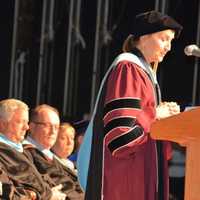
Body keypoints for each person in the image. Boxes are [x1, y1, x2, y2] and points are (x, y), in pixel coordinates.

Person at [77, 10, 183, 200]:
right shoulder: (127, 69)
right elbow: (121, 138)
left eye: (171, 41)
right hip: (124, 181)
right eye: (164, 39)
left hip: (139, 176)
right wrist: (155, 114)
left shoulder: (146, 75)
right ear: (143, 38)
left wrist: (167, 122)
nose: (168, 47)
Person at [0, 98, 62, 200]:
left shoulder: (23, 151)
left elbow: (41, 178)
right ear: (2, 124)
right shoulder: (3, 151)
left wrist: (53, 192)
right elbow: (8, 191)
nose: (26, 127)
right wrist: (45, 196)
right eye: (21, 122)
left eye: (27, 122)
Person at [23, 104, 84, 199]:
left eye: (56, 127)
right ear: (31, 126)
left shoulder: (50, 155)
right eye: (47, 126)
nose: (53, 131)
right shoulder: (26, 153)